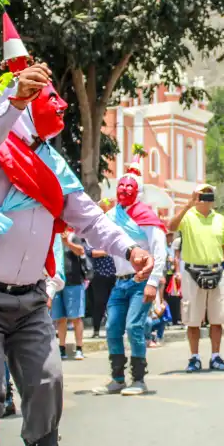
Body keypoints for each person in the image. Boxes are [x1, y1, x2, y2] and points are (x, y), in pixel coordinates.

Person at [0, 5, 152, 446]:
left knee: (47, 384)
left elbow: (91, 220)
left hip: (31, 298)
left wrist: (131, 250)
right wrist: (12, 99)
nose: (52, 104)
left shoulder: (52, 165)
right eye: (42, 98)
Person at [96, 167, 167, 397]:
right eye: (121, 185)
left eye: (130, 186)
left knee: (134, 327)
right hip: (119, 282)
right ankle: (117, 378)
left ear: (137, 191)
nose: (124, 190)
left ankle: (138, 379)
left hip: (140, 281)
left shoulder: (148, 218)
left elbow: (159, 250)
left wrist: (152, 283)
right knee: (112, 328)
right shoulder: (111, 216)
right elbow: (97, 238)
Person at [169, 185, 224, 373]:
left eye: (209, 194)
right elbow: (171, 227)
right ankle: (194, 357)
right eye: (202, 194)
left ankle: (215, 356)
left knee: (217, 317)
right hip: (192, 272)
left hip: (216, 270)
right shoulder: (188, 217)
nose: (206, 198)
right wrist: (188, 204)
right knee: (193, 319)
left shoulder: (220, 219)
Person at [53, 231, 88, 361]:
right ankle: (61, 348)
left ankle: (79, 348)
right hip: (56, 282)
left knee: (76, 317)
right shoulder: (53, 236)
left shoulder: (74, 236)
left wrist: (67, 243)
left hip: (74, 282)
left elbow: (81, 251)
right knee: (60, 318)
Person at [86, 199, 118, 340]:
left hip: (114, 272)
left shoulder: (114, 228)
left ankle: (113, 328)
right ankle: (96, 329)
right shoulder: (93, 231)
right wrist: (109, 250)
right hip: (99, 273)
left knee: (114, 302)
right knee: (99, 302)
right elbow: (91, 252)